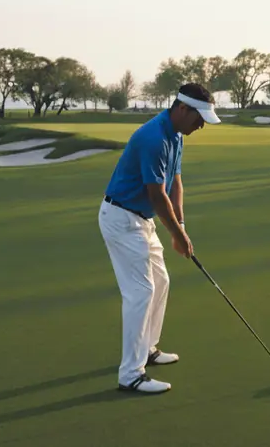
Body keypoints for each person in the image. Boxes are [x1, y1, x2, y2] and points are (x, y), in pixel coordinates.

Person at [98, 83, 221, 394]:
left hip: (141, 220)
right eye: (199, 117)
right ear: (182, 109)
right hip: (122, 218)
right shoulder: (153, 138)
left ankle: (148, 349)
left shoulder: (176, 135)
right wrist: (177, 237)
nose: (202, 124)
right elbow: (156, 195)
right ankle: (130, 374)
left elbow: (175, 184)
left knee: (161, 281)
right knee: (140, 292)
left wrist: (181, 225)